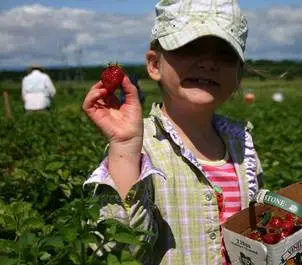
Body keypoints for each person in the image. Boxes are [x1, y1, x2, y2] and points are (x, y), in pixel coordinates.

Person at [82, 0, 264, 264]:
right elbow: (118, 250)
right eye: (190, 48)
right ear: (155, 65)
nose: (208, 62)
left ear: (238, 75)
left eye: (225, 53)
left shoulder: (242, 146)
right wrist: (123, 146)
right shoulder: (141, 148)